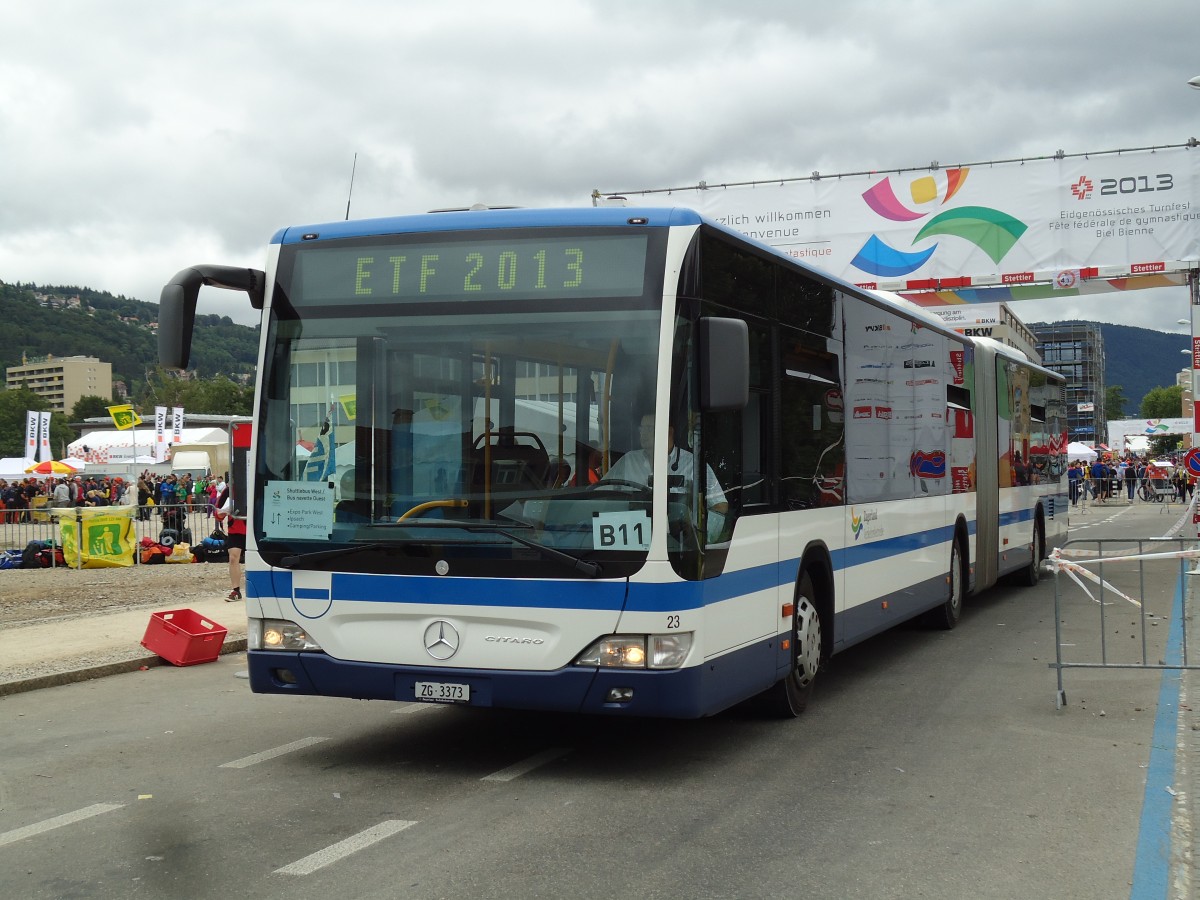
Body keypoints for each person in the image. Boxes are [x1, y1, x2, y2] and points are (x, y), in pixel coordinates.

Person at [602, 413, 729, 537]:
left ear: (669, 431)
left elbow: (720, 505)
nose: (643, 433)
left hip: (678, 543)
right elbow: (601, 494)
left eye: (649, 428)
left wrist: (698, 533)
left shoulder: (693, 465)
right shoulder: (629, 460)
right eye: (642, 428)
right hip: (631, 538)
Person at [214, 483, 246, 602]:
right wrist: (223, 512)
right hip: (236, 530)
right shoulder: (228, 491)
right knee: (233, 558)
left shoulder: (256, 484)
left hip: (255, 528)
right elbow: (217, 513)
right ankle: (236, 591)